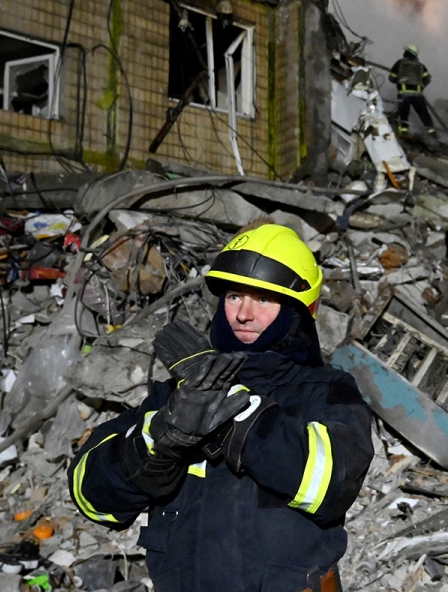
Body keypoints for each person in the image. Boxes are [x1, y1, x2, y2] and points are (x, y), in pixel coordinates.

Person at [69, 224, 374, 591]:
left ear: (300, 309)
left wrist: (230, 408)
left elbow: (332, 485)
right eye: (233, 297)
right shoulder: (176, 394)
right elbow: (90, 498)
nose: (243, 313)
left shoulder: (326, 391)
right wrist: (158, 439)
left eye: (262, 299)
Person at [389, 44, 435, 137]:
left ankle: (403, 132)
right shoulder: (421, 66)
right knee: (423, 113)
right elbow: (427, 79)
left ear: (407, 52)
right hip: (417, 94)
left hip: (403, 94)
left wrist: (399, 80)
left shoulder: (400, 63)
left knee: (403, 113)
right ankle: (432, 132)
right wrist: (421, 86)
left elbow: (392, 78)